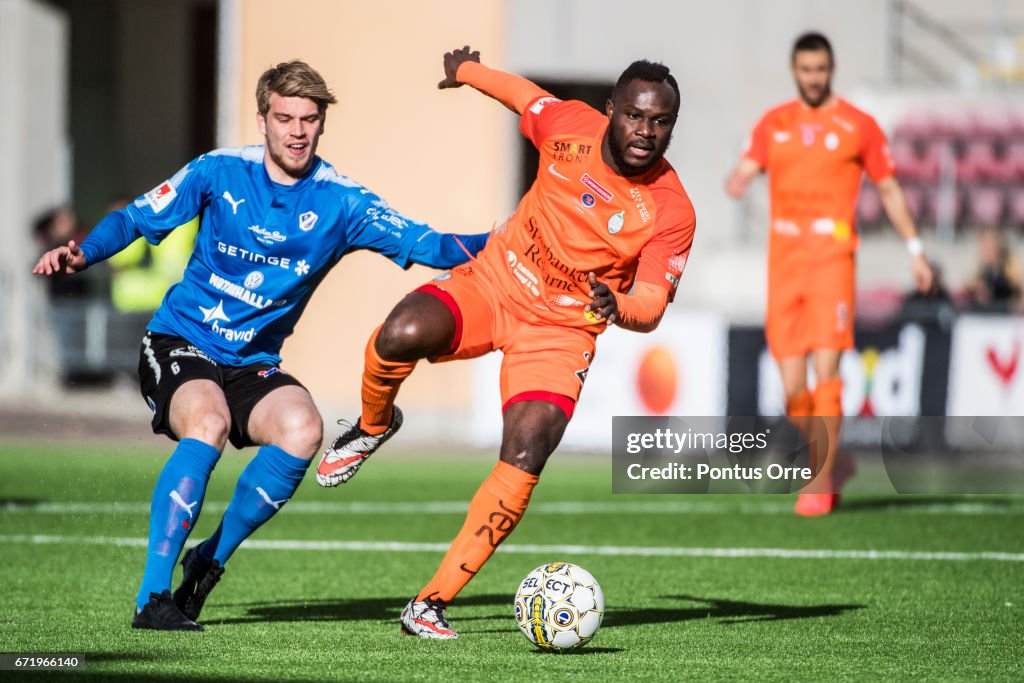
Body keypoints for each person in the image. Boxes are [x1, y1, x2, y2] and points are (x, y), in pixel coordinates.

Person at [32, 60, 488, 631]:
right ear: (262, 120)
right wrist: (85, 251)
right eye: (285, 118)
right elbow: (136, 219)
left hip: (252, 364)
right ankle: (153, 598)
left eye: (309, 119)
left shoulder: (343, 202)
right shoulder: (218, 171)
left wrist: (514, 242)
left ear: (322, 124)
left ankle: (209, 560)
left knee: (304, 429)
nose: (297, 130)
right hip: (180, 340)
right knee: (210, 422)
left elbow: (434, 245)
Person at [316, 46, 696, 638]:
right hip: (495, 283)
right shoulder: (569, 127)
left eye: (660, 121)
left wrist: (618, 306)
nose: (646, 132)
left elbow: (649, 305)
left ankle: (429, 603)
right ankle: (371, 426)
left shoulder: (672, 210)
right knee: (401, 333)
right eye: (635, 115)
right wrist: (465, 72)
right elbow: (523, 96)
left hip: (561, 334)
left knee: (525, 453)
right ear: (610, 111)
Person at [725, 32, 933, 516]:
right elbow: (746, 165)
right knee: (793, 387)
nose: (813, 77)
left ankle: (818, 481)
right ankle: (834, 461)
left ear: (830, 69)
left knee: (827, 372)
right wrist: (738, 178)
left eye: (820, 69)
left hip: (831, 260)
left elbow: (890, 188)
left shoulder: (857, 126)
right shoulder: (774, 123)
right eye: (805, 69)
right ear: (795, 70)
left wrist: (916, 249)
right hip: (784, 262)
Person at [967, 228, 1022, 313]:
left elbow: (1016, 287)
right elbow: (973, 287)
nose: (984, 250)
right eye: (983, 246)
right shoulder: (982, 267)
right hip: (987, 315)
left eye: (987, 246)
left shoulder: (1009, 264)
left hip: (1006, 315)